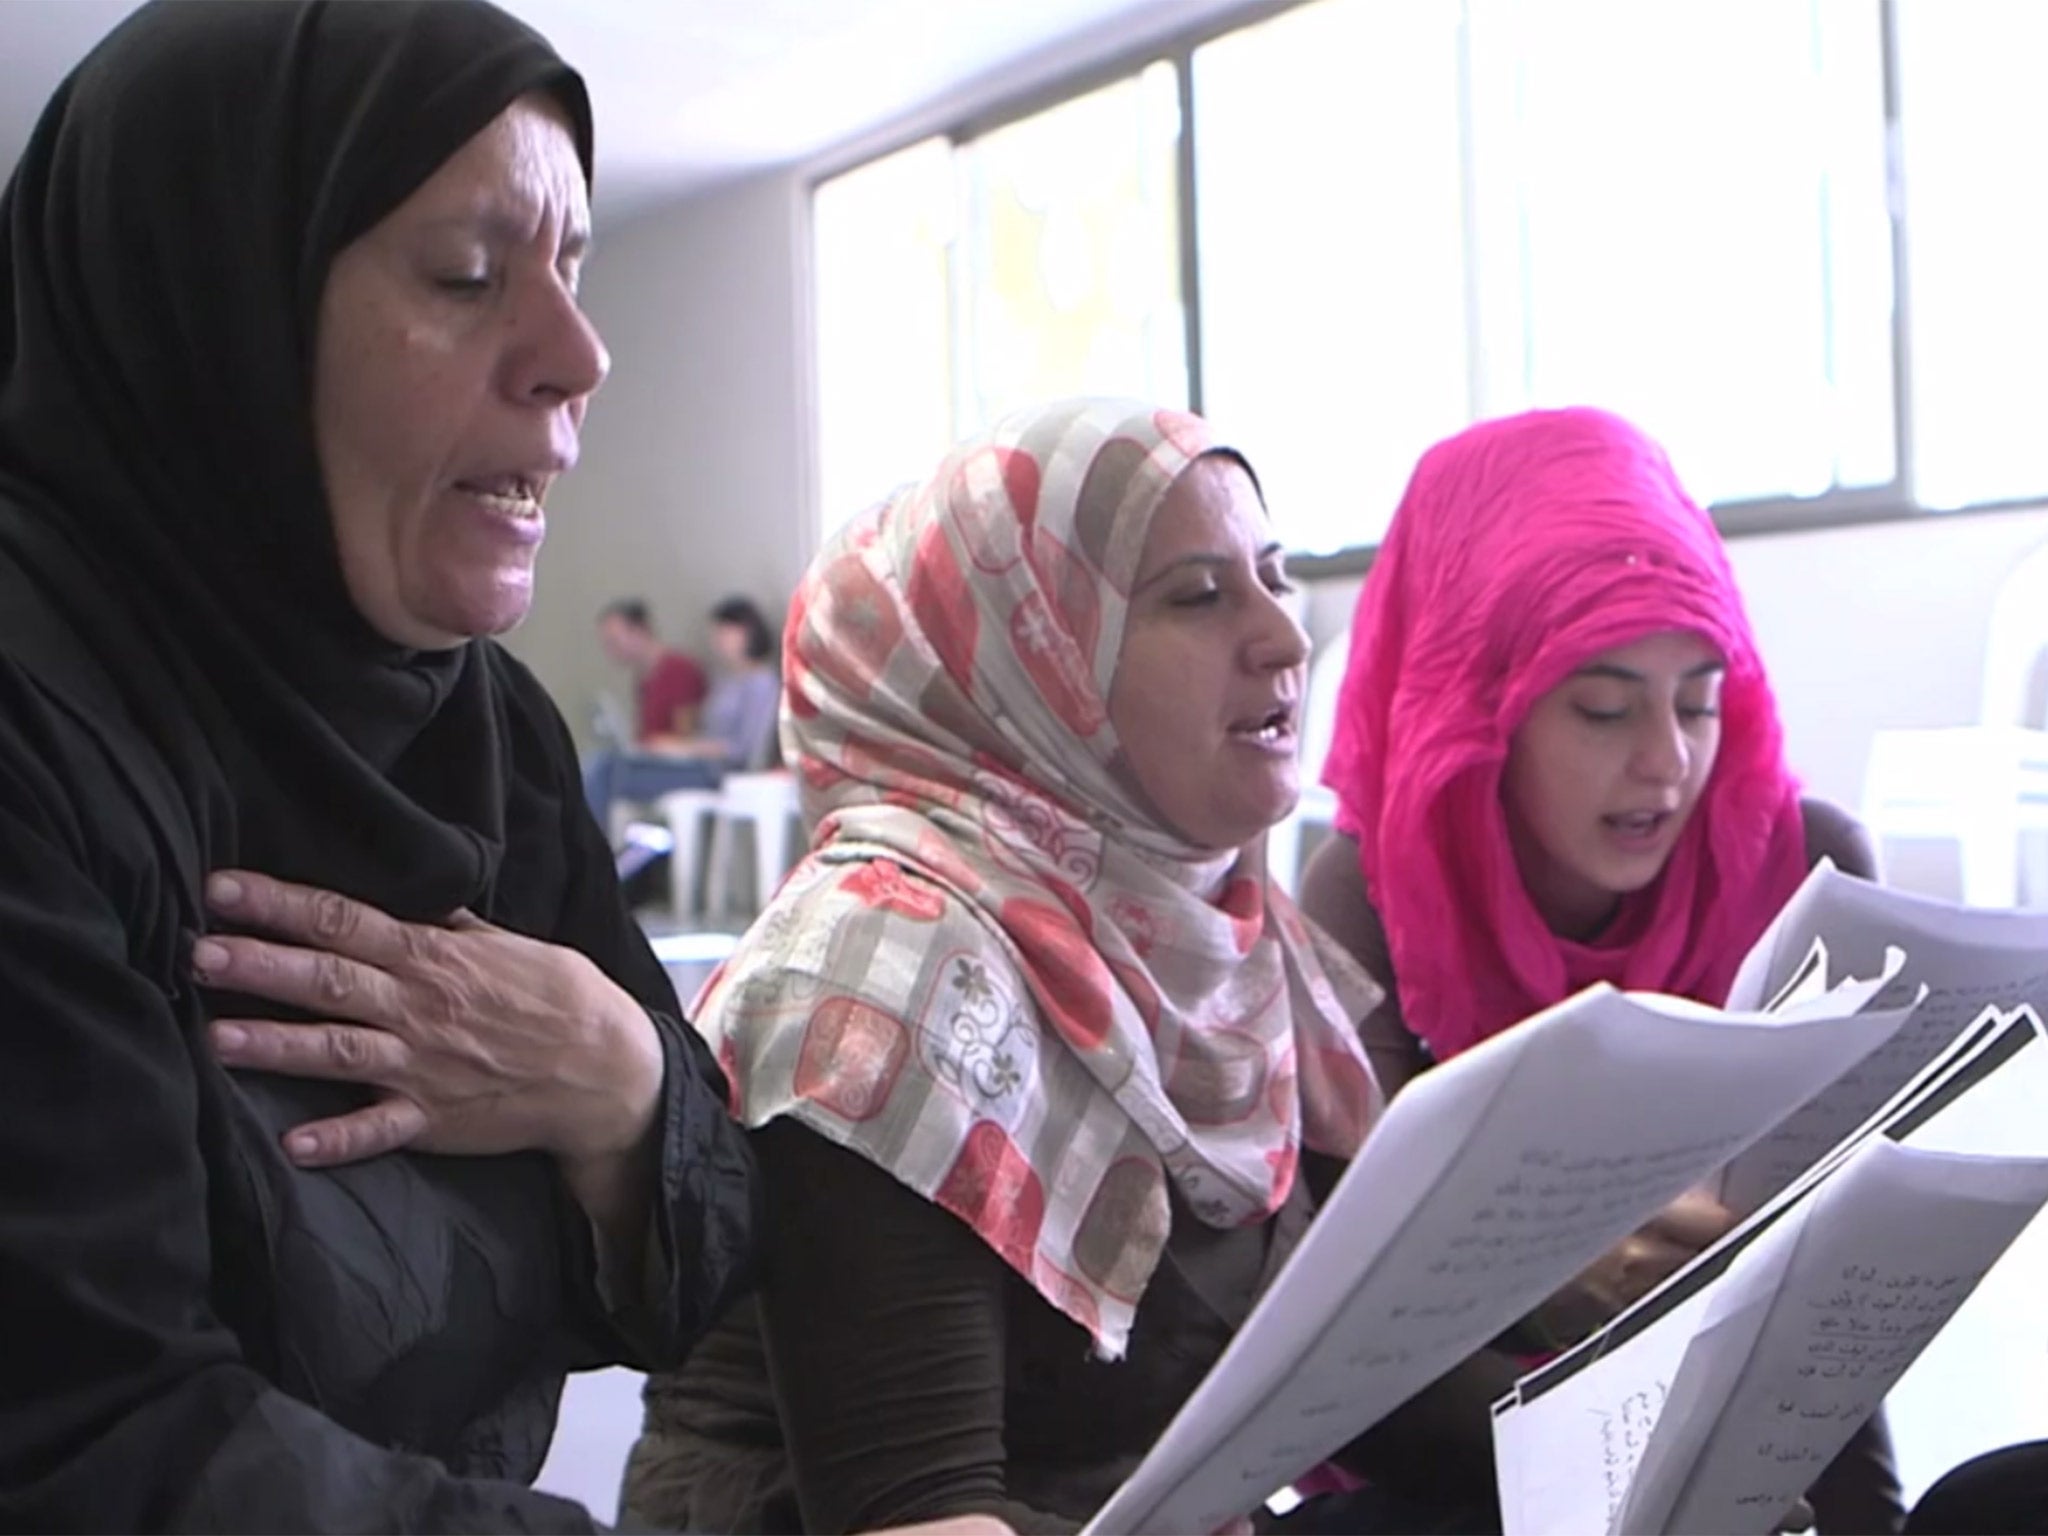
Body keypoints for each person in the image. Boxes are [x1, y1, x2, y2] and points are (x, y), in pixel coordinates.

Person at [0, 2, 759, 1528]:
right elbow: (92, 1444)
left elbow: (713, 1261)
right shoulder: (38, 733)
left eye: (577, 269)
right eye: (471, 274)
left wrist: (612, 1085)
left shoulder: (486, 729)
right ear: (219, 310)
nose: (580, 355)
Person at [622, 398, 1509, 1536]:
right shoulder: (874, 971)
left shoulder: (1217, 938)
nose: (1287, 638)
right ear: (1031, 656)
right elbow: (915, 1517)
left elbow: (1363, 1370)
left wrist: (1646, 1429)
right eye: (1197, 593)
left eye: (1273, 575)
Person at [1299, 405, 1903, 1533]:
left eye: (1697, 702)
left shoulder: (1799, 870)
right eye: (1602, 707)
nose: (1665, 762)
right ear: (1477, 711)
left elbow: (1838, 1326)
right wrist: (1551, 1262)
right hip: (1471, 1468)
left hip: (1765, 1442)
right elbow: (1355, 1322)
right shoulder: (1371, 902)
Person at [585, 595, 782, 832]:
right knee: (603, 765)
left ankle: (589, 855)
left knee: (607, 770)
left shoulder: (761, 682)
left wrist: (685, 747)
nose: (717, 643)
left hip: (717, 770)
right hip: (699, 762)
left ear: (747, 633)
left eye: (724, 634)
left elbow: (743, 748)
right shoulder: (727, 683)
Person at [597, 598, 712, 748]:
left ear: (639, 631)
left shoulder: (679, 670)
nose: (610, 651)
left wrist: (648, 745)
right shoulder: (644, 677)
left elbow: (685, 739)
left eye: (614, 641)